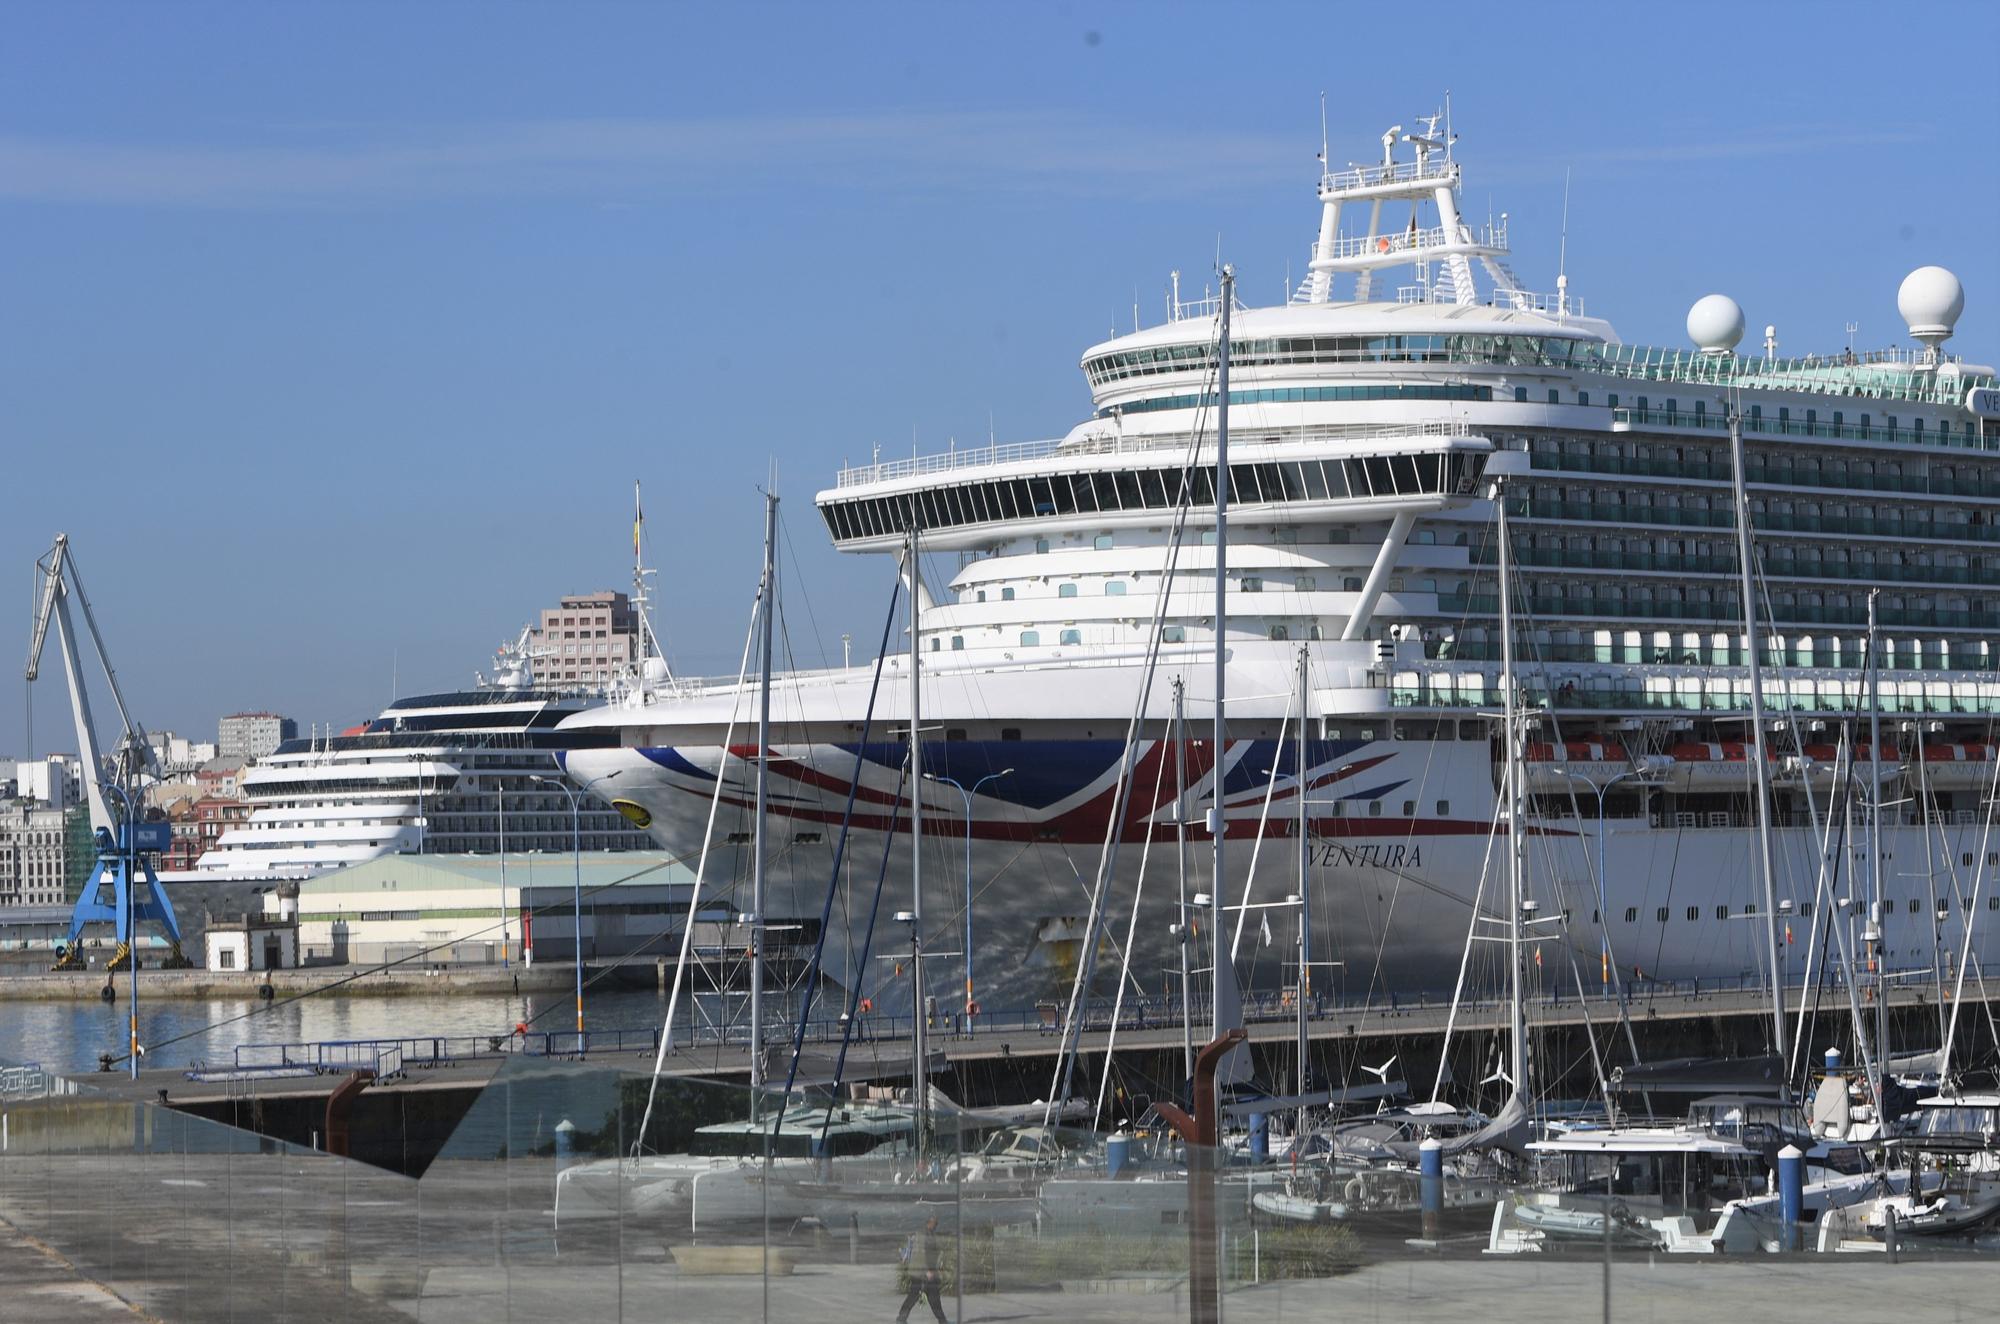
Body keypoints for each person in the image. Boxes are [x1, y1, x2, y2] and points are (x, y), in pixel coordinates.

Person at [896, 1213, 948, 1324]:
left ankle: (942, 1320)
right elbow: (920, 1255)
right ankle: (901, 1318)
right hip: (920, 1273)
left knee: (933, 1297)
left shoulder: (931, 1234)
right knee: (914, 1296)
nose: (935, 1225)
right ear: (928, 1223)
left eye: (936, 1223)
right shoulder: (922, 1235)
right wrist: (927, 1271)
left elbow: (935, 1251)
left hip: (928, 1273)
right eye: (934, 1223)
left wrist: (938, 1266)